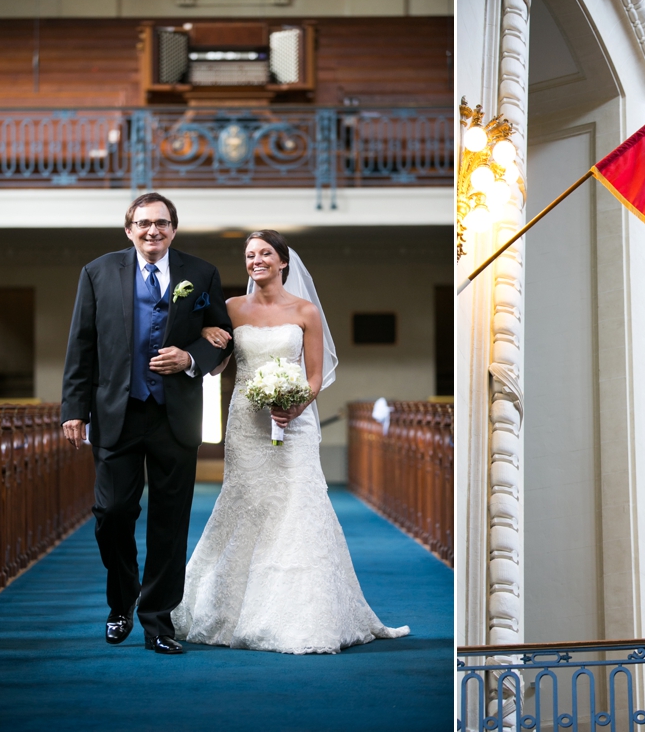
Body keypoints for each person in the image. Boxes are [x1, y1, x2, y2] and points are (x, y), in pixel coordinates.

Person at [171, 230, 409, 653]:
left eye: (265, 253)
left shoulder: (306, 311)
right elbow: (218, 361)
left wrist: (297, 404)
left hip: (293, 421)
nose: (256, 260)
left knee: (300, 504)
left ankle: (305, 616)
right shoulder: (229, 308)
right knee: (247, 503)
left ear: (283, 261)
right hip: (247, 419)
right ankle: (227, 609)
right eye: (250, 254)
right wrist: (206, 346)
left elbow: (315, 375)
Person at [61, 192, 233, 655]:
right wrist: (74, 409)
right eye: (143, 223)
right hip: (116, 413)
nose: (152, 230)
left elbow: (221, 338)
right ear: (129, 230)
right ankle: (121, 602)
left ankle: (158, 620)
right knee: (112, 513)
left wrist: (192, 357)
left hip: (174, 416)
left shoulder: (201, 273)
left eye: (161, 223)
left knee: (169, 523)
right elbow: (81, 344)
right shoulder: (98, 272)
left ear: (174, 229)